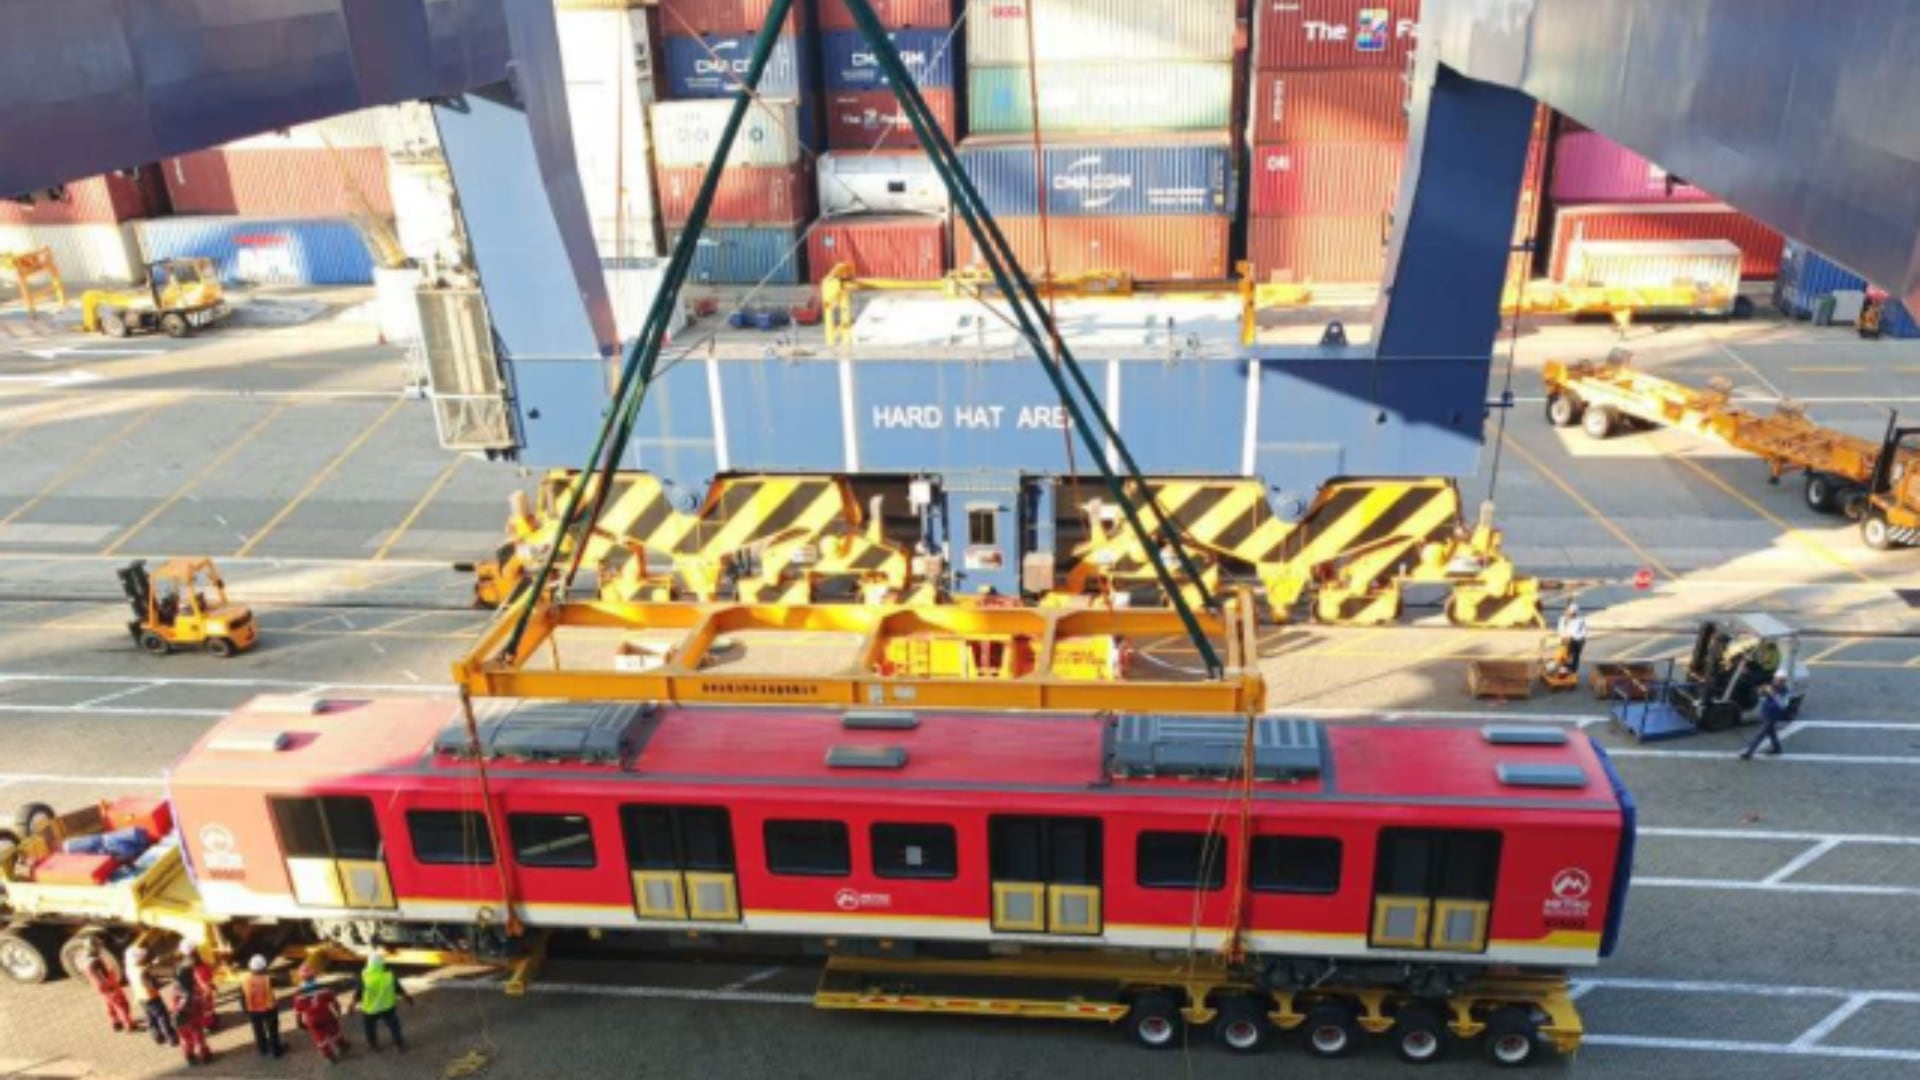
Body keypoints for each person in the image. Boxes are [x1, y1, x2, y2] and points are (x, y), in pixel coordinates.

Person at [350, 954, 414, 1053]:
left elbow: (358, 993)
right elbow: (398, 988)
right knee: (394, 1026)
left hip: (370, 1010)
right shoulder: (389, 975)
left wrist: (351, 1006)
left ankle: (373, 1045)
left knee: (370, 1029)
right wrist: (407, 998)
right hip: (387, 1007)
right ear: (382, 964)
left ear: (369, 964)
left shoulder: (364, 976)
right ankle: (399, 1045)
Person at [292, 964, 349, 1063]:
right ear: (314, 975)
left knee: (319, 1038)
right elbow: (334, 1002)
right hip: (326, 1015)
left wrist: (299, 1023)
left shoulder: (298, 993)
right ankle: (341, 1045)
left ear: (301, 978)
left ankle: (329, 1056)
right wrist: (338, 1011)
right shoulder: (324, 988)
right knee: (334, 1031)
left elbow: (298, 1011)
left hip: (312, 1020)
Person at [125, 943, 178, 1047]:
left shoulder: (129, 968)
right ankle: (171, 1038)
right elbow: (151, 985)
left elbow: (144, 966)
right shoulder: (142, 971)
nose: (144, 958)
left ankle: (157, 1037)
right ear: (138, 959)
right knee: (162, 1017)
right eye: (142, 957)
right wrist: (166, 982)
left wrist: (152, 963)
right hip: (151, 997)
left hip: (140, 998)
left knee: (150, 1018)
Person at [79, 937, 134, 1034]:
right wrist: (111, 985)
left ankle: (115, 1022)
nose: (100, 948)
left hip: (99, 987)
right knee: (121, 1004)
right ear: (94, 948)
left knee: (109, 1004)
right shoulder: (96, 961)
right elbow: (104, 976)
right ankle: (128, 1024)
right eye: (98, 946)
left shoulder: (83, 958)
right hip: (108, 986)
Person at [240, 954, 288, 1058]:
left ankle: (263, 1049)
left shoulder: (245, 980)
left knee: (258, 1031)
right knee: (272, 1030)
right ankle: (276, 1051)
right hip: (269, 1009)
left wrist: (245, 1009)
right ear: (264, 967)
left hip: (253, 1011)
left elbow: (242, 996)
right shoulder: (268, 979)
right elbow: (282, 982)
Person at [1740, 674, 1794, 760]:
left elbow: (1782, 705)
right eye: (1775, 679)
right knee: (1771, 733)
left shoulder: (1785, 691)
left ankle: (1749, 752)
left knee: (1761, 734)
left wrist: (1773, 694)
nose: (1774, 681)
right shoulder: (1772, 687)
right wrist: (1761, 690)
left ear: (1782, 682)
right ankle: (1777, 749)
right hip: (1767, 712)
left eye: (1777, 680)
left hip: (1773, 715)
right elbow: (1761, 695)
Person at [167, 977, 214, 1066]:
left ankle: (189, 1057)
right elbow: (202, 1004)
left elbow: (172, 1006)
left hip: (179, 1020)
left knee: (185, 1039)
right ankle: (204, 1056)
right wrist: (208, 995)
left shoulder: (175, 990)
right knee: (198, 1039)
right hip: (193, 1019)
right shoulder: (193, 991)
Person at [1557, 602, 1589, 675]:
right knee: (1563, 655)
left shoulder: (1580, 621)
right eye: (1567, 612)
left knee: (1574, 656)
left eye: (1571, 613)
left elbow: (1581, 633)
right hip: (1565, 638)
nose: (1568, 614)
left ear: (1575, 613)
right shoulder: (1562, 619)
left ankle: (1573, 671)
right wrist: (1563, 636)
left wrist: (1571, 637)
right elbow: (1560, 630)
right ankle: (1563, 671)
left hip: (1578, 640)